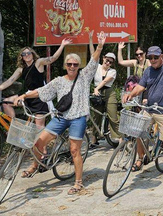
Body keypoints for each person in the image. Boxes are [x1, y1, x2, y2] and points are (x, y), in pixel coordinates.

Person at [14, 31, 106, 195]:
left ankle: (78, 182)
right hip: (61, 117)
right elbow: (41, 91)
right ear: (65, 65)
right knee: (38, 142)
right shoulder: (58, 81)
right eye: (69, 64)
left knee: (74, 150)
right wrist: (24, 95)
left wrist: (99, 45)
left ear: (79, 66)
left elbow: (94, 60)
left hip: (78, 118)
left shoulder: (84, 77)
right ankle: (36, 165)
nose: (72, 67)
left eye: (75, 64)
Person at [122, 28, 163, 186]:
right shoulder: (148, 71)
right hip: (149, 108)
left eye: (156, 57)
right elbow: (140, 87)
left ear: (161, 56)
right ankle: (141, 158)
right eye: (150, 57)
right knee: (137, 131)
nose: (153, 59)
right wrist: (131, 94)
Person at [0, 38, 72, 127]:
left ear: (32, 54)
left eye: (29, 53)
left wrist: (62, 45)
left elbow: (53, 58)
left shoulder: (38, 63)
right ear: (21, 57)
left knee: (39, 128)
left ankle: (48, 140)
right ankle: (14, 127)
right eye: (24, 54)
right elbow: (9, 81)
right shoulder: (21, 69)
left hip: (40, 97)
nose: (27, 55)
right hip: (28, 96)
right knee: (6, 103)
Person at [90, 52, 121, 147]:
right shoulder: (97, 67)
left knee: (113, 116)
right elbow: (93, 54)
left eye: (110, 62)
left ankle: (120, 139)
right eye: (107, 60)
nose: (108, 63)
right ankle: (94, 138)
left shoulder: (113, 71)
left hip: (108, 92)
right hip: (97, 93)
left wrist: (96, 88)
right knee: (96, 116)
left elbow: (105, 81)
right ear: (103, 58)